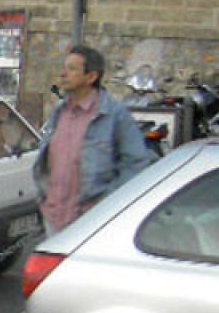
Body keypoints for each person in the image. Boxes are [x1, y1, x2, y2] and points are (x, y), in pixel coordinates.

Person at [33, 44, 154, 236]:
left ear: (91, 76)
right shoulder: (60, 112)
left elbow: (137, 164)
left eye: (72, 69)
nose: (63, 74)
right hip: (54, 218)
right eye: (64, 68)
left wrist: (107, 203)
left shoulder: (114, 115)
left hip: (91, 221)